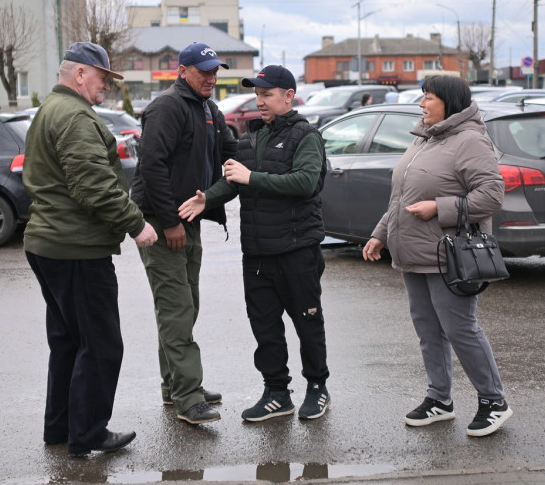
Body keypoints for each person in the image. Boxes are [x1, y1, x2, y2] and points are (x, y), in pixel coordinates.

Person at [22, 42, 158, 456]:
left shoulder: (50, 108)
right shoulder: (75, 116)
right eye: (103, 78)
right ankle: (88, 434)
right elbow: (93, 186)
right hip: (75, 247)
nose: (107, 88)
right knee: (100, 344)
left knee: (68, 341)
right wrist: (136, 224)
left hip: (51, 243)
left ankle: (60, 429)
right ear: (80, 74)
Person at [177, 64, 332, 422]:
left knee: (307, 323)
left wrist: (252, 177)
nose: (259, 101)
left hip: (297, 250)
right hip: (258, 253)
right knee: (265, 327)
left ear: (288, 96)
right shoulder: (251, 138)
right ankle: (277, 392)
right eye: (257, 95)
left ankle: (317, 388)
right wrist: (207, 199)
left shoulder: (307, 136)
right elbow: (233, 181)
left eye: (266, 94)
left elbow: (306, 182)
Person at [361, 76, 512, 437]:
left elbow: (491, 196)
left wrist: (439, 208)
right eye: (422, 97)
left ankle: (494, 401)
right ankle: (440, 399)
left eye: (428, 98)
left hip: (451, 256)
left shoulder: (470, 140)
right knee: (428, 330)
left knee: (460, 329)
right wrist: (380, 234)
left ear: (449, 102)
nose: (422, 104)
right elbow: (401, 196)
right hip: (413, 250)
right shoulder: (424, 138)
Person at [131, 42, 236, 425]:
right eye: (204, 70)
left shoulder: (208, 109)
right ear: (182, 71)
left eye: (214, 71)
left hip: (190, 220)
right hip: (163, 224)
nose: (211, 77)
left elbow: (230, 151)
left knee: (185, 303)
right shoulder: (167, 107)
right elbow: (153, 167)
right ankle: (188, 398)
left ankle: (174, 385)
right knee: (177, 307)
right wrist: (170, 223)